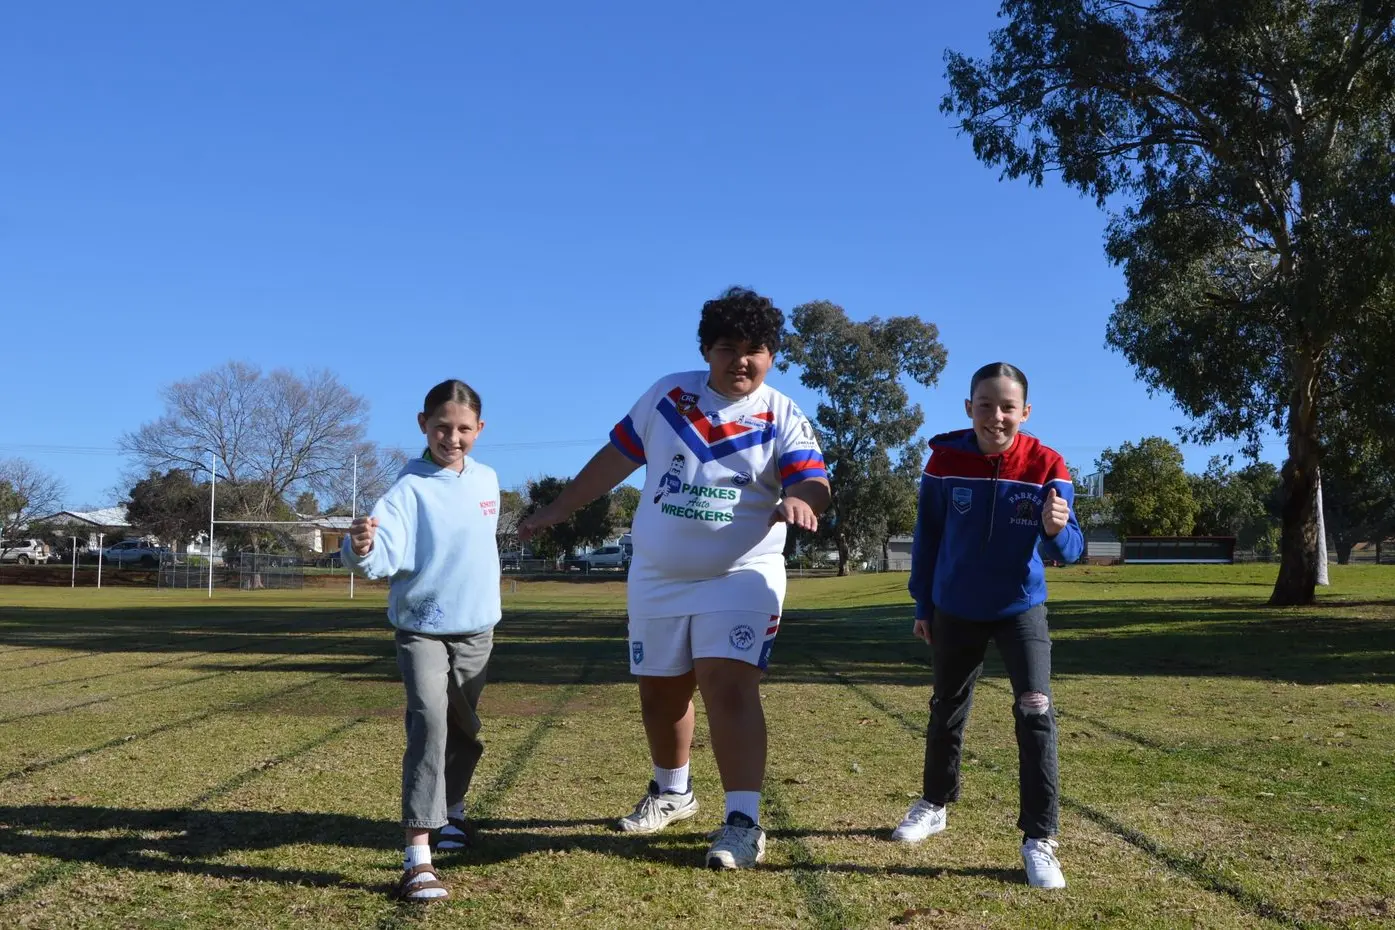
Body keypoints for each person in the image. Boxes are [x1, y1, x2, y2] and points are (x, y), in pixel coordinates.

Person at [519, 286, 830, 870]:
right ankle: (672, 792)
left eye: (756, 349)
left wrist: (800, 498)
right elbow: (615, 458)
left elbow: (813, 478)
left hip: (741, 573)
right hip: (657, 576)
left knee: (727, 685)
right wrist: (558, 509)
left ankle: (742, 821)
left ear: (772, 354)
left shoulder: (781, 413)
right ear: (706, 350)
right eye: (728, 347)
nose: (742, 360)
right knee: (661, 691)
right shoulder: (669, 395)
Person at [893, 361, 1084, 890]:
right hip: (955, 608)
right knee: (947, 708)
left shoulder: (1048, 464)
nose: (995, 417)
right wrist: (923, 606)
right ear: (968, 408)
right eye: (985, 405)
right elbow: (927, 537)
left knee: (1036, 715)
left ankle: (1040, 839)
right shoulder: (943, 460)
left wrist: (1055, 531)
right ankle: (935, 804)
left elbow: (1071, 549)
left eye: (1007, 407)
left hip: (1020, 609)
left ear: (1025, 411)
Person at [342, 379, 501, 902]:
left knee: (464, 728)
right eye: (441, 427)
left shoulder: (488, 482)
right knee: (429, 722)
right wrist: (361, 546)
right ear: (422, 425)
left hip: (478, 628)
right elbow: (382, 553)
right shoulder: (406, 488)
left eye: (462, 428)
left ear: (479, 429)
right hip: (421, 629)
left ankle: (451, 813)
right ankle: (418, 855)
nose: (451, 438)